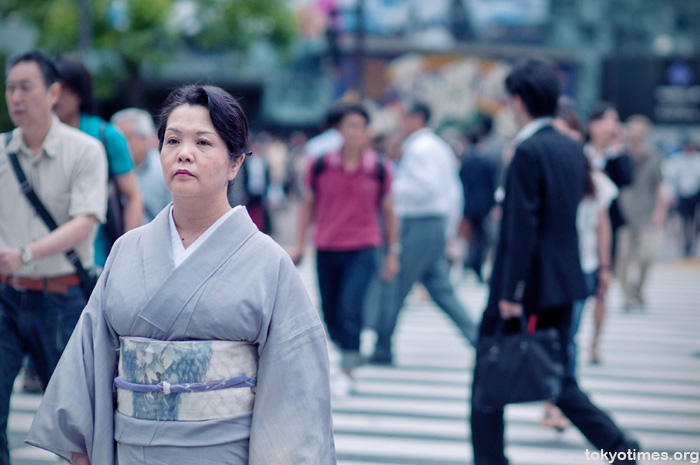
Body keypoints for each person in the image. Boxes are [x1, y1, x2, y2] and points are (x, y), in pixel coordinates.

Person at [26, 85, 336, 464]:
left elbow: (296, 392)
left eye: (203, 143)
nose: (183, 153)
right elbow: (88, 364)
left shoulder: (268, 263)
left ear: (236, 162)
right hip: (133, 452)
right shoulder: (127, 251)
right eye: (172, 140)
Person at [470, 58, 638, 465]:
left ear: (518, 100)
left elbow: (522, 226)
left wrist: (511, 291)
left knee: (488, 380)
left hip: (526, 287)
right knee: (559, 378)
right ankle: (619, 448)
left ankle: (491, 460)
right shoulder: (569, 147)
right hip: (563, 282)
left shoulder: (527, 150)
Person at [0, 50, 107, 465]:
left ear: (53, 93)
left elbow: (85, 223)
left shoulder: (84, 150)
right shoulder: (2, 151)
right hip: (6, 298)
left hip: (61, 299)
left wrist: (23, 254)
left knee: (76, 421)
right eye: (10, 88)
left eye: (25, 87)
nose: (15, 97)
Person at [292, 104, 399, 394]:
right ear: (339, 129)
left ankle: (349, 369)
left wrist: (392, 252)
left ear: (367, 132)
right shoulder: (319, 164)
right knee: (330, 312)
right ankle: (348, 349)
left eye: (359, 127)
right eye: (348, 126)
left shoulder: (378, 168)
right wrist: (299, 243)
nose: (353, 132)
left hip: (364, 246)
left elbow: (389, 211)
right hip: (327, 245)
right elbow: (307, 205)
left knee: (351, 307)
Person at [370, 101, 477, 365]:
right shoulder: (436, 145)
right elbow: (453, 191)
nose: (401, 123)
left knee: (395, 284)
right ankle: (480, 341)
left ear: (417, 118)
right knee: (441, 290)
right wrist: (449, 228)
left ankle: (383, 347)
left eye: (404, 117)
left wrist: (391, 188)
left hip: (419, 223)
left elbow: (425, 187)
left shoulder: (419, 148)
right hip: (434, 223)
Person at [52, 56, 143, 266]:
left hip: (94, 258)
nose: (58, 96)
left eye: (67, 88)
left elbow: (133, 197)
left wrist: (126, 256)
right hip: (38, 260)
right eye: (53, 87)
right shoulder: (34, 138)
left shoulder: (105, 135)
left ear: (80, 92)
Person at [616, 115, 666, 309]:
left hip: (646, 214)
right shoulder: (620, 155)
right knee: (622, 259)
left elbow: (659, 186)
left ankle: (638, 289)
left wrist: (660, 211)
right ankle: (627, 296)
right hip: (623, 214)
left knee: (647, 255)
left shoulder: (653, 157)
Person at [111, 107, 172, 224]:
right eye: (116, 139)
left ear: (144, 138)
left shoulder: (164, 169)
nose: (119, 145)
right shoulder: (109, 169)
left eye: (126, 138)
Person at [459, 117, 498, 283]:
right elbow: (491, 184)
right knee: (483, 239)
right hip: (483, 206)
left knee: (473, 238)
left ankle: (470, 264)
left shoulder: (466, 161)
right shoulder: (486, 161)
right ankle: (474, 265)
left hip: (469, 204)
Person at [665, 138, 700, 257]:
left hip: (696, 193)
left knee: (695, 220)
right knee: (685, 220)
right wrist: (672, 195)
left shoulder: (697, 159)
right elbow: (673, 179)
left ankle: (692, 242)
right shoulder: (677, 160)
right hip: (682, 194)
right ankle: (686, 244)